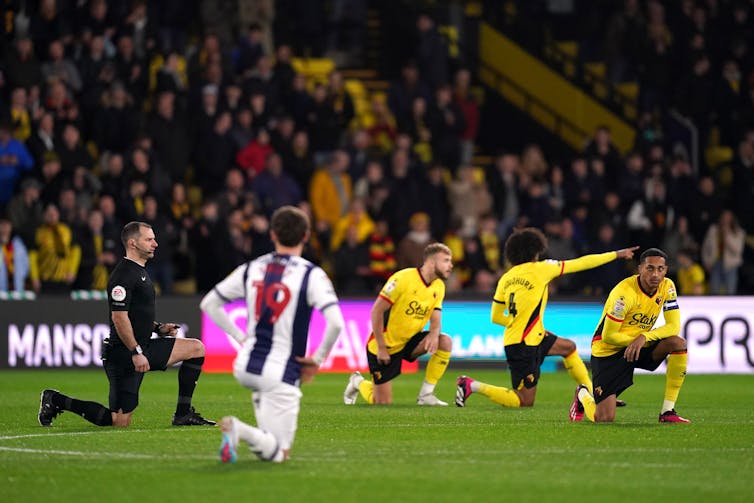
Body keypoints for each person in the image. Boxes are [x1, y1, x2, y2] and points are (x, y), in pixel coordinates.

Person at [200, 206, 344, 463]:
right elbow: (336, 323)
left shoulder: (251, 268)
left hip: (245, 364)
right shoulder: (311, 274)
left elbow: (209, 304)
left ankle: (242, 431)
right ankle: (237, 428)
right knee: (280, 454)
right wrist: (318, 359)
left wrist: (242, 338)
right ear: (306, 236)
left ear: (272, 234)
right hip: (280, 372)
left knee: (270, 442)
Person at [38, 221, 215, 427]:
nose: (155, 244)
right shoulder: (122, 276)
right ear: (132, 243)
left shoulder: (139, 271)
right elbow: (119, 318)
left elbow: (135, 315)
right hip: (123, 354)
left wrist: (158, 328)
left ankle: (183, 414)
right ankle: (56, 400)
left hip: (141, 347)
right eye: (149, 239)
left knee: (196, 348)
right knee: (118, 421)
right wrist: (136, 352)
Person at [455, 227, 637, 410]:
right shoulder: (542, 269)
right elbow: (581, 263)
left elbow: (495, 316)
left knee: (569, 347)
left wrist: (518, 324)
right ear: (535, 250)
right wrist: (616, 254)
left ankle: (595, 394)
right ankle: (471, 385)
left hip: (524, 338)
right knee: (524, 401)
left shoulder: (506, 277)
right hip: (523, 346)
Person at [570, 248, 690, 423]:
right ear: (640, 269)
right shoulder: (624, 294)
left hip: (639, 345)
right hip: (609, 351)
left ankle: (667, 412)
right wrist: (638, 340)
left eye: (660, 269)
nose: (655, 274)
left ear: (665, 270)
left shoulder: (667, 286)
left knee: (678, 343)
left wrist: (644, 338)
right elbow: (609, 335)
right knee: (604, 418)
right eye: (650, 268)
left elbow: (674, 326)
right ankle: (583, 394)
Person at [343, 242, 454, 406]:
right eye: (446, 260)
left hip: (410, 341)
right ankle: (357, 382)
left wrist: (433, 333)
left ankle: (426, 395)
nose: (450, 265)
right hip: (386, 345)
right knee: (381, 402)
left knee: (444, 341)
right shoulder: (402, 279)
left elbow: (436, 316)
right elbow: (376, 311)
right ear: (431, 262)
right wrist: (381, 347)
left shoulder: (439, 286)